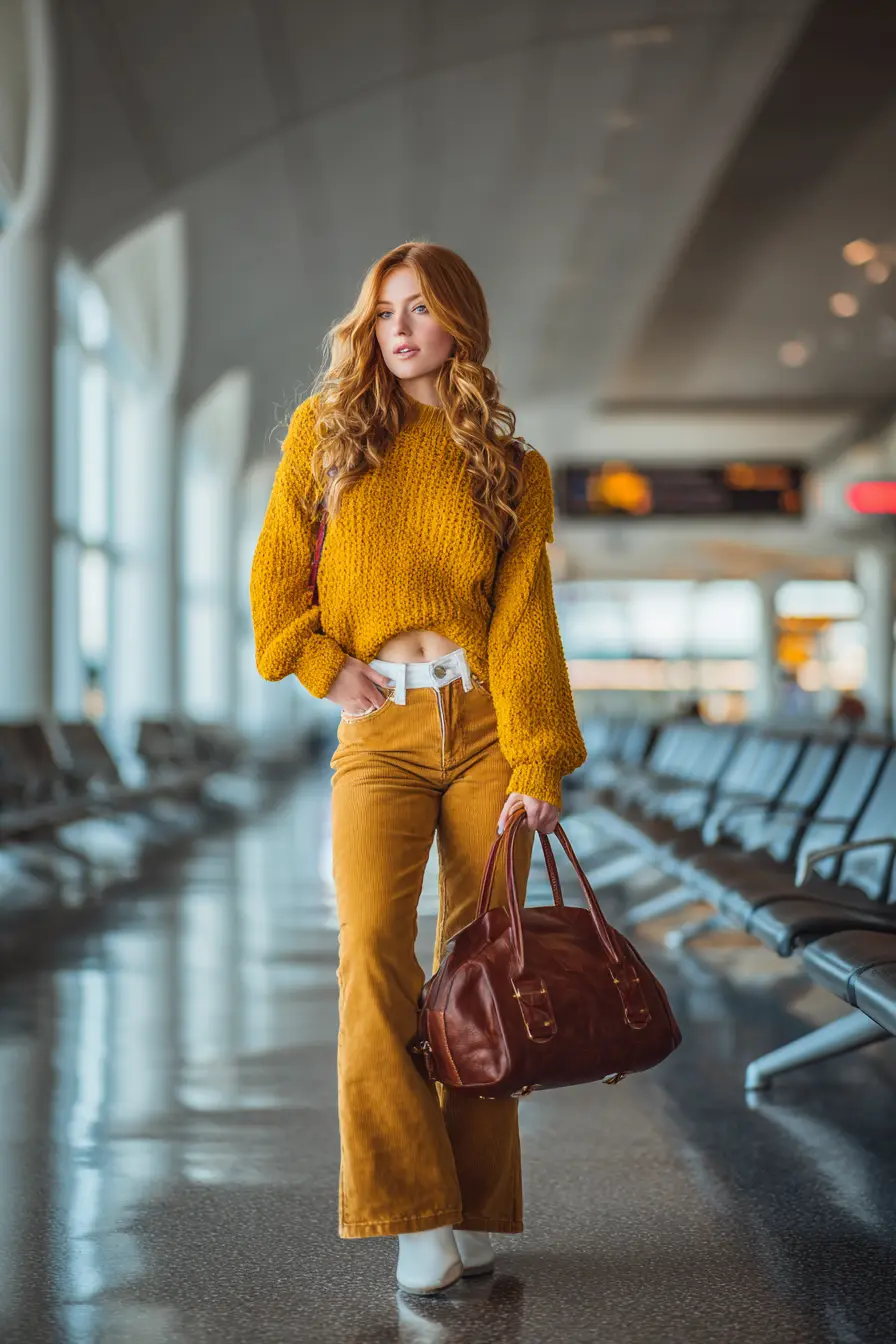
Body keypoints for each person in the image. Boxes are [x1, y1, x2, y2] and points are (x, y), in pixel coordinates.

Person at [249, 242, 586, 1295]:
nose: (398, 328)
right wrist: (317, 662)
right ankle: (409, 1208)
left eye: (421, 310)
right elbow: (271, 576)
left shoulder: (510, 466)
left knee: (482, 963)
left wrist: (537, 755)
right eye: (384, 310)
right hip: (379, 736)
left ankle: (473, 1205)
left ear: (460, 329)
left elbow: (525, 618)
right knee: (369, 956)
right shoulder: (324, 435)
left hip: (484, 723)